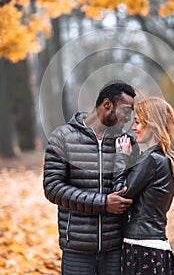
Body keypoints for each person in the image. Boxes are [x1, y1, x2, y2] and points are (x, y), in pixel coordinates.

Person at [43, 81, 139, 275]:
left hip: (115, 246)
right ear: (107, 104)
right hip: (77, 247)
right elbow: (52, 187)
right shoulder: (63, 137)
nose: (129, 117)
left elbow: (135, 184)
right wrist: (103, 203)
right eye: (126, 110)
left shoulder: (125, 142)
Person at [114, 97, 174, 275]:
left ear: (153, 124)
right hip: (155, 245)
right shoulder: (161, 158)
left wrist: (121, 158)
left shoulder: (153, 159)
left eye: (138, 122)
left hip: (142, 248)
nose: (133, 127)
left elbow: (120, 193)